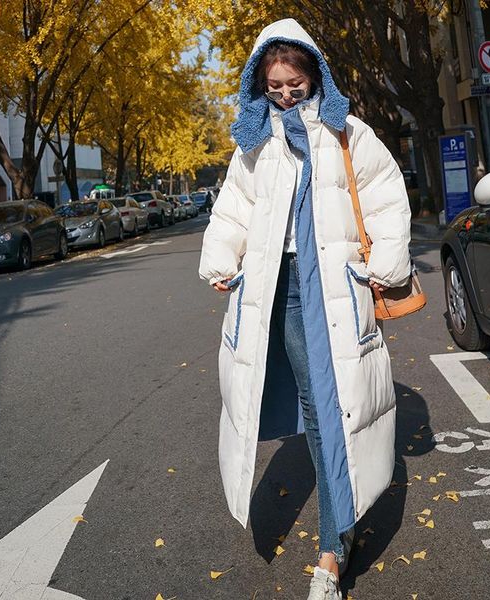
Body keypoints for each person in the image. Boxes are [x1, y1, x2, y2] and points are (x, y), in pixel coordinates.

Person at [199, 18, 411, 600]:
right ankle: (339, 533)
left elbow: (388, 195)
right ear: (259, 83)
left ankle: (332, 550)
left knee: (327, 409)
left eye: (294, 84)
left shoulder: (348, 133)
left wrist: (386, 263)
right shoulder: (256, 144)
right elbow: (233, 210)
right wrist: (221, 259)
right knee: (320, 409)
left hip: (334, 290)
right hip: (279, 289)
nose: (286, 95)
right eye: (274, 86)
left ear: (315, 76)